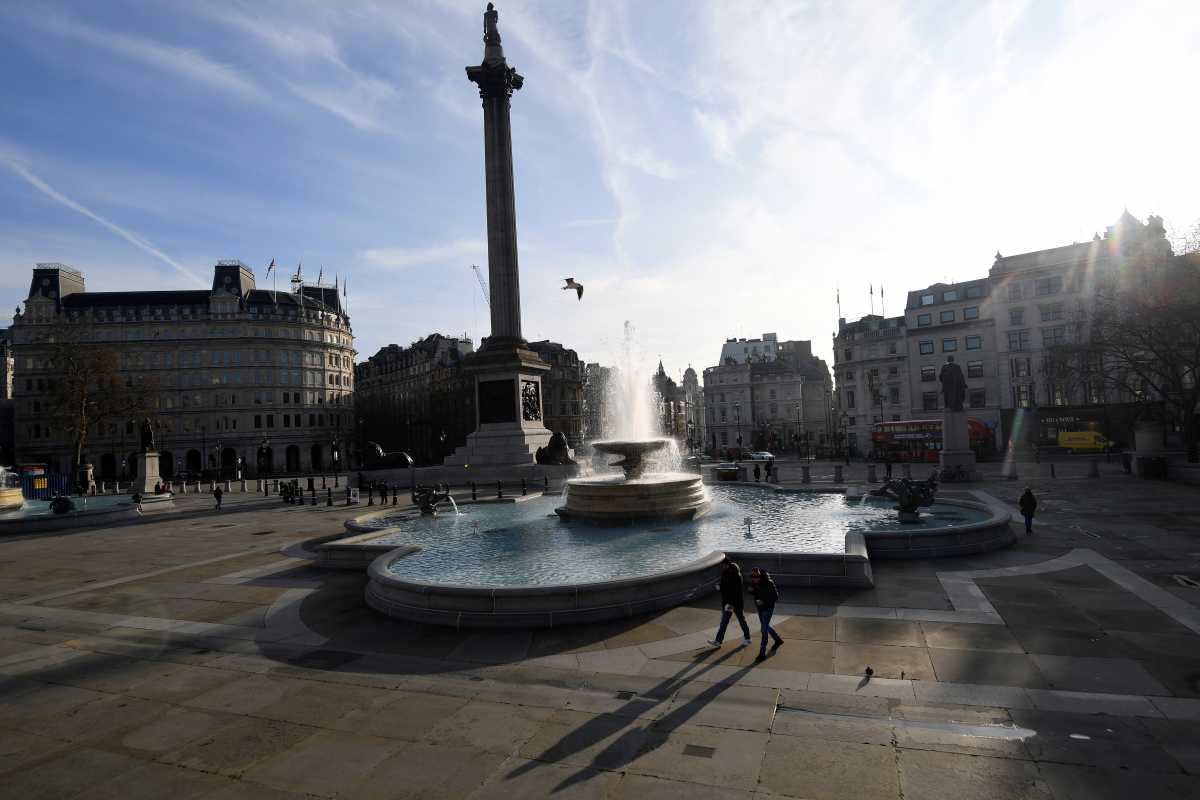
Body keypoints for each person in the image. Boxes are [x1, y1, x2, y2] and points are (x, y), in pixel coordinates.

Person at [707, 559, 752, 648]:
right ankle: (719, 641)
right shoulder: (731, 574)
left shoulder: (733, 576)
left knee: (729, 622)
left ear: (727, 565)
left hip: (731, 603)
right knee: (737, 621)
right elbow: (727, 587)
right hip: (733, 603)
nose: (722, 567)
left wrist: (720, 588)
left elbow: (732, 591)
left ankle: (746, 638)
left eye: (723, 565)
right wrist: (721, 587)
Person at [748, 567, 784, 663]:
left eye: (756, 577)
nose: (754, 579)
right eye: (752, 577)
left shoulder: (769, 583)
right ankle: (778, 640)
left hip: (767, 608)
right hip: (760, 608)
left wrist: (763, 601)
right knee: (765, 626)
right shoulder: (754, 583)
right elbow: (753, 592)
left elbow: (775, 597)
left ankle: (762, 653)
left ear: (760, 576)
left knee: (763, 630)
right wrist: (750, 590)